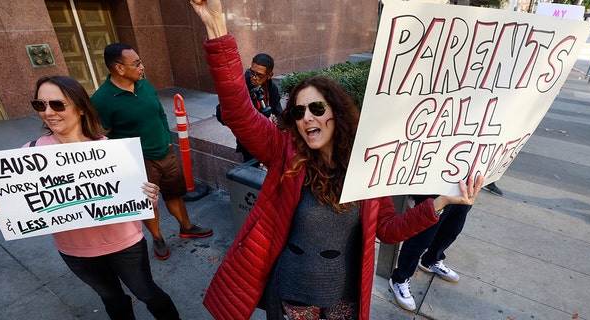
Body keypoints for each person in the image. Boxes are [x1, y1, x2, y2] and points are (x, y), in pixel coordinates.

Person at [190, 1, 485, 319]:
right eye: (299, 112)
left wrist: (437, 204)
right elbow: (238, 109)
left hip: (343, 293)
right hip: (295, 289)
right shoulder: (285, 152)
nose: (306, 118)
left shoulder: (365, 166)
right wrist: (216, 26)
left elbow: (387, 229)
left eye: (316, 108)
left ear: (335, 112)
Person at [0, 75, 180, 319]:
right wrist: (2, 205)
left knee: (147, 293)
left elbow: (142, 201)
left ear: (80, 108)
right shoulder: (28, 156)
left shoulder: (112, 151)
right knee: (112, 299)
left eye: (57, 104)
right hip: (76, 252)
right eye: (40, 105)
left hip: (125, 245)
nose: (48, 112)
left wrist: (150, 195)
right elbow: (19, 206)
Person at [91, 43, 213, 260]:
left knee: (175, 194)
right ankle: (157, 238)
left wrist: (167, 138)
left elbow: (160, 113)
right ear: (119, 68)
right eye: (136, 63)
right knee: (148, 203)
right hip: (140, 162)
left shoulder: (143, 84)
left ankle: (187, 227)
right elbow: (101, 137)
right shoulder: (101, 100)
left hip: (165, 152)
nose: (142, 67)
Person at [388, 195, 471, 311]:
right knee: (424, 231)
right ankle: (400, 277)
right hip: (438, 184)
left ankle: (432, 260)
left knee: (453, 226)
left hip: (466, 184)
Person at [216, 52, 283, 162]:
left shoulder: (272, 88)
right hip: (248, 143)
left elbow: (279, 114)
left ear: (269, 75)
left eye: (260, 75)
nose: (254, 78)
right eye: (252, 72)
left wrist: (277, 121)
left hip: (268, 140)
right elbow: (221, 114)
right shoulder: (240, 86)